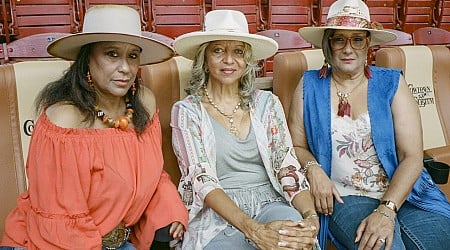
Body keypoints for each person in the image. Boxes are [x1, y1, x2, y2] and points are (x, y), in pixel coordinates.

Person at [0, 5, 188, 250]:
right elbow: (62, 224)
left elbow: (152, 175)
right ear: (87, 58)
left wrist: (170, 213)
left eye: (132, 56)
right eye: (112, 54)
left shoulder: (143, 102)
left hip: (114, 241)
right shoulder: (65, 121)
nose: (125, 68)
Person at [289, 0, 450, 249]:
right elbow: (296, 145)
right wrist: (313, 169)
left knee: (438, 241)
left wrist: (386, 210)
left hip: (404, 193)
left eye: (357, 39)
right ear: (328, 44)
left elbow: (412, 156)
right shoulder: (309, 85)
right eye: (339, 39)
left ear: (368, 45)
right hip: (344, 196)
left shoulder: (392, 83)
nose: (348, 48)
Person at [171, 9, 320, 250]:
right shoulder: (187, 111)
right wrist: (254, 230)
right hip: (218, 212)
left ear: (247, 60)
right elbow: (202, 181)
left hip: (271, 203)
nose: (229, 60)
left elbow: (287, 166)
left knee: (297, 242)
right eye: (218, 50)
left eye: (238, 51)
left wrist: (310, 218)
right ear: (205, 59)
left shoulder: (267, 104)